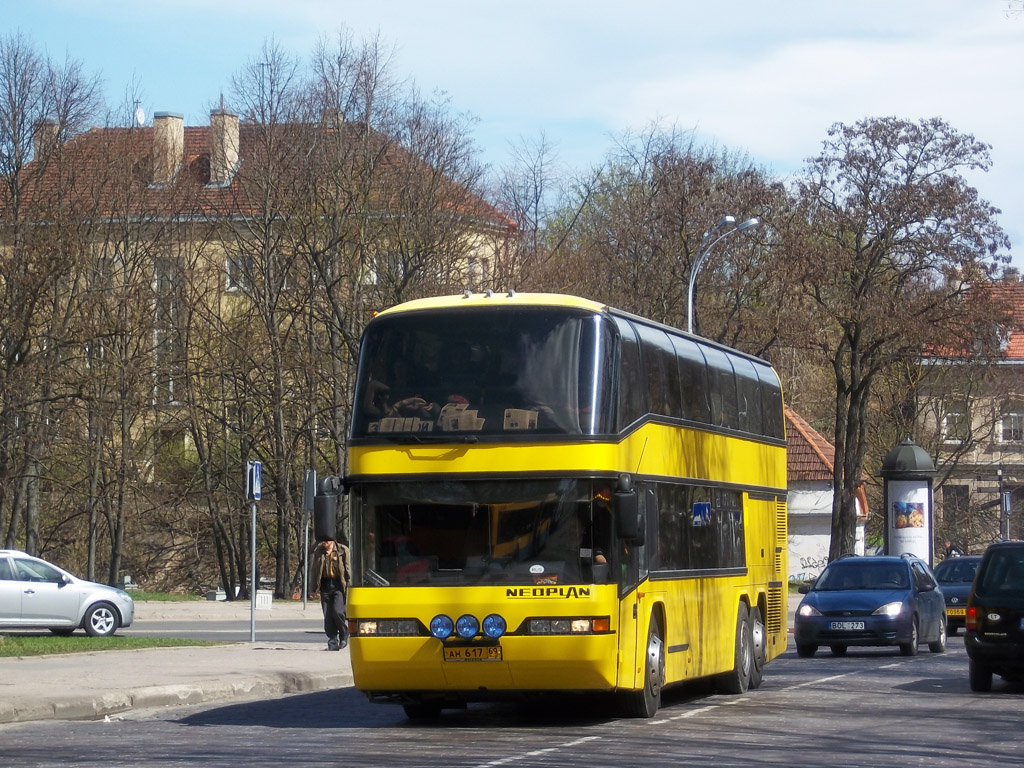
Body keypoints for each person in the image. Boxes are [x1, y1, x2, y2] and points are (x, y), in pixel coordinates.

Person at [311, 537, 351, 651]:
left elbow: (348, 570)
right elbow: (314, 571)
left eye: (327, 541)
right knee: (328, 615)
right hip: (325, 584)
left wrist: (349, 587)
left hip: (339, 584)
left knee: (338, 611)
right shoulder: (319, 551)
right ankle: (332, 642)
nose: (324, 543)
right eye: (322, 541)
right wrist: (313, 589)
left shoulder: (343, 550)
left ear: (333, 540)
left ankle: (344, 634)